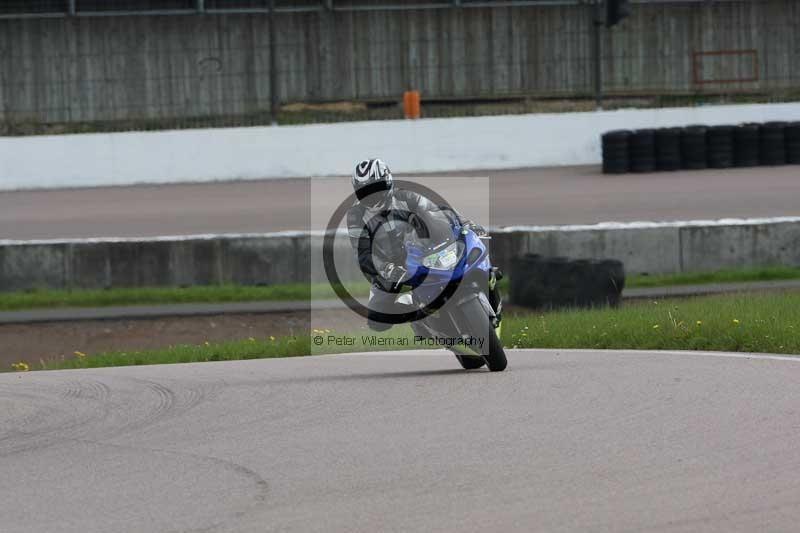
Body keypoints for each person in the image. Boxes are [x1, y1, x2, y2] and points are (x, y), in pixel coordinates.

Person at [346, 158, 488, 331]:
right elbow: (361, 253)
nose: (372, 196)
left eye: (376, 189)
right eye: (365, 192)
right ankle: (421, 319)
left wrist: (467, 223)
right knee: (377, 320)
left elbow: (438, 209)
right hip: (391, 267)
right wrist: (386, 269)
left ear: (388, 182)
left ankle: (488, 280)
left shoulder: (406, 196)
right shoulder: (356, 216)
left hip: (421, 251)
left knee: (468, 252)